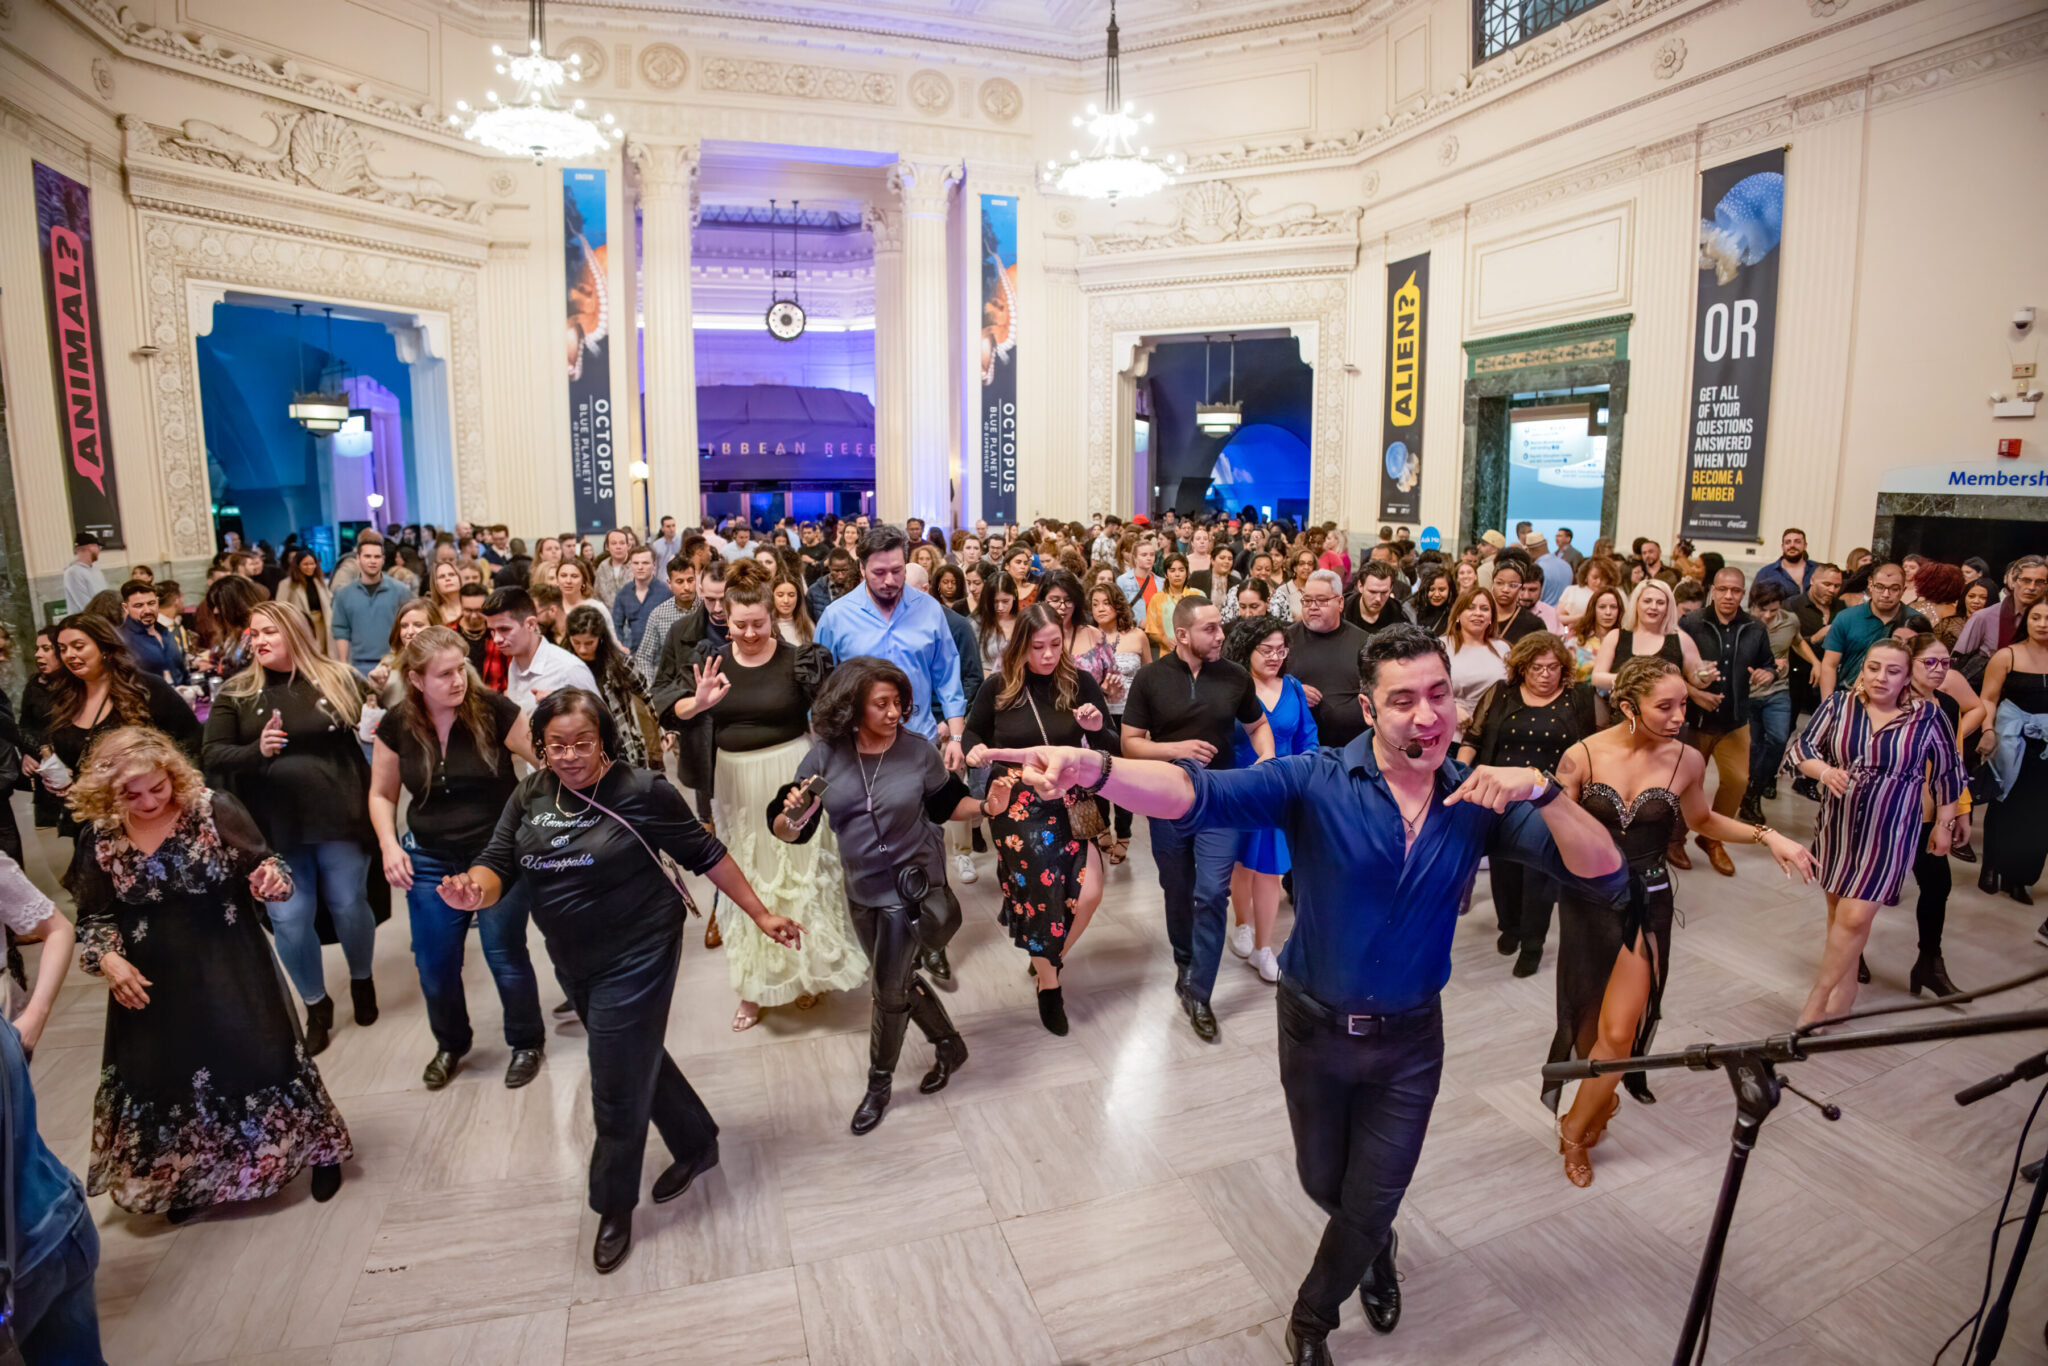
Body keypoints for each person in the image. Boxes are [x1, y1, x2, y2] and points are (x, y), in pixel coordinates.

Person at [976, 625, 1629, 1362]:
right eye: (1405, 699)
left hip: (1411, 1041)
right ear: (1370, 709)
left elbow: (1605, 873)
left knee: (1375, 1191)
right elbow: (1197, 792)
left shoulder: (1477, 800)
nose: (1429, 716)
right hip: (1314, 1030)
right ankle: (1373, 1251)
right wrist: (1095, 769)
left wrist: (1541, 790)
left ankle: (1314, 1315)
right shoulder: (1315, 779)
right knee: (1325, 1182)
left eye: (1441, 695)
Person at [443, 689, 800, 1273]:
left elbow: (704, 852)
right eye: (555, 745)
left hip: (639, 952)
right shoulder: (530, 793)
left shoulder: (640, 790)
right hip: (571, 957)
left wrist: (761, 915)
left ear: (603, 739)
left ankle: (613, 1206)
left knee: (613, 1084)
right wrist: (473, 891)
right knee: (633, 1053)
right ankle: (697, 1143)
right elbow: (498, 860)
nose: (570, 756)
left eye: (583, 743)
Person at [1547, 657, 1814, 1184]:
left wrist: (1769, 836)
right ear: (1628, 707)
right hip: (1587, 900)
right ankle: (1598, 1099)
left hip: (1646, 901)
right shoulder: (1582, 756)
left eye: (1682, 705)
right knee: (1586, 1024)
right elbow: (1556, 831)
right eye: (1663, 706)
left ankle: (1574, 1129)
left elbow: (1702, 820)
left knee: (1621, 1032)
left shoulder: (1686, 760)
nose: (1676, 716)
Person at [67, 727, 351, 1222]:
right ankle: (192, 1177)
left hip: (228, 962)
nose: (149, 801)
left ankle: (317, 1152)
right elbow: (93, 918)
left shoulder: (210, 808)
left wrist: (269, 880)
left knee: (261, 1055)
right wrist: (109, 959)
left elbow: (271, 869)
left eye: (157, 787)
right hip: (154, 977)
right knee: (173, 1075)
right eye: (131, 794)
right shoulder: (101, 835)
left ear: (171, 774)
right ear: (108, 790)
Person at [772, 658, 975, 1133]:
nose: (894, 713)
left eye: (898, 703)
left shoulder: (918, 751)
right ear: (852, 707)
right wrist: (793, 815)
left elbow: (947, 804)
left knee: (886, 992)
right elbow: (789, 828)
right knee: (899, 981)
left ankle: (878, 1085)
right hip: (860, 887)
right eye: (880, 704)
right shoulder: (826, 756)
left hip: (911, 887)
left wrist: (986, 806)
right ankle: (950, 1044)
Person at [657, 560, 862, 1030]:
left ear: (773, 617)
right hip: (734, 779)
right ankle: (754, 986)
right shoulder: (712, 662)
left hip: (790, 771)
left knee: (800, 872)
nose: (749, 633)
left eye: (758, 623)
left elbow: (828, 722)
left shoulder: (799, 660)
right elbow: (674, 710)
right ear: (724, 618)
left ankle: (806, 973)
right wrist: (700, 703)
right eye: (739, 624)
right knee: (748, 875)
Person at [368, 626, 546, 1090]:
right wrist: (389, 844)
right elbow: (382, 794)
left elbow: (546, 761)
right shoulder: (396, 724)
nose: (457, 681)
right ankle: (451, 1043)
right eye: (443, 674)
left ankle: (526, 1040)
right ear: (416, 680)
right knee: (434, 961)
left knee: (503, 952)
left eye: (460, 669)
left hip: (496, 852)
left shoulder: (493, 711)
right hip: (429, 856)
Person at [202, 601, 380, 1054]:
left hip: (339, 814)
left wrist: (377, 725)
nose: (259, 641)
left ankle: (362, 979)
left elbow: (378, 729)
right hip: (274, 826)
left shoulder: (339, 679)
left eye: (270, 633)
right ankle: (315, 1004)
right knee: (290, 917)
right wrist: (256, 751)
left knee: (348, 902)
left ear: (295, 633)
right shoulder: (238, 693)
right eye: (254, 633)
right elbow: (213, 754)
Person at [1788, 639, 1963, 1024]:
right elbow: (1802, 750)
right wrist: (1825, 771)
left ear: (1906, 677)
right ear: (1862, 669)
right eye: (1873, 667)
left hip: (1891, 831)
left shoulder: (1927, 717)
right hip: (1838, 826)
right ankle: (1846, 988)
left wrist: (1946, 825)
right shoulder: (1838, 705)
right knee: (1838, 911)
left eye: (1893, 671)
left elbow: (1950, 772)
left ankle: (1817, 1002)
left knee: (1854, 918)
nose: (1881, 677)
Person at [1124, 596, 1273, 1042]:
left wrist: (1265, 760)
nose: (1221, 635)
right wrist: (1177, 748)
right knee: (1178, 887)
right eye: (1210, 629)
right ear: (1182, 634)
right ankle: (1184, 961)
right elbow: (1130, 743)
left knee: (1211, 892)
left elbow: (1257, 725)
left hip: (1220, 798)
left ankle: (1200, 992)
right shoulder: (1151, 679)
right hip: (1167, 796)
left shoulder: (1234, 676)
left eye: (1220, 626)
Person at [964, 605, 1117, 1035]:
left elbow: (1110, 744)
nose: (1048, 655)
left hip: (1068, 794)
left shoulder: (1079, 682)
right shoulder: (999, 687)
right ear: (1020, 647)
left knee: (1087, 893)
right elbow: (974, 733)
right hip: (1016, 803)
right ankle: (1049, 985)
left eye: (1055, 645)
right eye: (1038, 647)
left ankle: (1049, 955)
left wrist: (1097, 724)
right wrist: (974, 751)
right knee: (1041, 894)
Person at [1458, 632, 1599, 977]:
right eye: (1537, 667)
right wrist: (1462, 776)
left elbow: (1588, 749)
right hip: (1500, 796)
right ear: (1522, 667)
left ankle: (1532, 943)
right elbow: (1473, 738)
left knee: (1539, 875)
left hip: (1548, 799)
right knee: (1504, 870)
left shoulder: (1577, 698)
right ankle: (1510, 927)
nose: (1545, 674)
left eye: (1553, 668)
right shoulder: (1501, 693)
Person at [815, 524, 969, 780]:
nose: (889, 581)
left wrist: (955, 737)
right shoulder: (836, 617)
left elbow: (948, 677)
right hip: (858, 746)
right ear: (862, 569)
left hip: (920, 740)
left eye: (897, 571)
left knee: (926, 817)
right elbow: (821, 687)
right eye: (879, 572)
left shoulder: (929, 609)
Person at [38, 614, 202, 840]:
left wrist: (170, 792)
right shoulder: (64, 698)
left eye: (78, 646)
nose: (69, 655)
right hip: (96, 823)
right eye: (62, 648)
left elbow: (192, 743)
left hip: (154, 814)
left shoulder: (145, 689)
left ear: (104, 647)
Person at [1223, 615, 1316, 984]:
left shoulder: (1292, 687)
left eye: (1281, 649)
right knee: (1241, 865)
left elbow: (1308, 737)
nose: (1275, 656)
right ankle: (1242, 923)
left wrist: (1306, 775)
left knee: (1272, 871)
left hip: (1281, 791)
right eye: (1267, 650)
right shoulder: (1234, 687)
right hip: (1239, 789)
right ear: (1248, 651)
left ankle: (1265, 946)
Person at [1897, 635, 1983, 997]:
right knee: (1870, 893)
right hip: (1886, 811)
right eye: (1929, 662)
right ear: (1909, 664)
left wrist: (1960, 812)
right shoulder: (1889, 700)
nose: (1939, 670)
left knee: (1938, 884)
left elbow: (1953, 763)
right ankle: (1852, 954)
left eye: (1945, 663)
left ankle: (1929, 963)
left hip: (1930, 811)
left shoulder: (1947, 705)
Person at [1677, 567, 1777, 876]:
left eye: (1735, 591)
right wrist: (1693, 693)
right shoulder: (1691, 623)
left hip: (1735, 720)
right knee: (1685, 784)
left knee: (1736, 781)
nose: (1728, 596)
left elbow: (1768, 664)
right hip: (1694, 720)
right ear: (1712, 590)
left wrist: (1768, 673)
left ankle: (1712, 838)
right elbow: (1671, 668)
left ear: (1743, 594)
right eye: (1722, 590)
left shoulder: (1755, 628)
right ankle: (1673, 839)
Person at [1978, 598, 2048, 911]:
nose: (2043, 623)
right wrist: (1988, 730)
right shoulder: (2007, 655)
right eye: (2037, 617)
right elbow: (1988, 699)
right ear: (2027, 620)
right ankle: (1992, 867)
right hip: (2011, 737)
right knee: (2003, 802)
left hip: (2045, 744)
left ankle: (2021, 878)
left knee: (2039, 812)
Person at [1075, 580, 1148, 863]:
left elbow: (1148, 678)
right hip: (1098, 715)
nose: (1100, 609)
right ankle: (1103, 826)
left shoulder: (1137, 637)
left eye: (1106, 603)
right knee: (1100, 773)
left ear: (1118, 605)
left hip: (1130, 715)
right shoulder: (1087, 638)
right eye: (1095, 604)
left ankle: (1125, 834)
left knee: (1125, 777)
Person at [1739, 579, 1813, 821]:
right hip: (1748, 694)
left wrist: (1818, 663)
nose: (1769, 616)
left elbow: (1798, 640)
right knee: (1755, 746)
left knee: (1779, 739)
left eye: (1774, 610)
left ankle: (1755, 789)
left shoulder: (1789, 620)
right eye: (1763, 610)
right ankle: (1752, 794)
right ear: (1753, 605)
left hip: (1778, 691)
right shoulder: (1743, 624)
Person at [565, 605, 663, 772]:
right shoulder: (565, 666)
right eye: (576, 643)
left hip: (622, 744)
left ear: (600, 639)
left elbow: (648, 695)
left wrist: (663, 730)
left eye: (589, 643)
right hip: (585, 746)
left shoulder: (620, 664)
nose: (582, 649)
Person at [1284, 570, 1371, 748]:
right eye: (1307, 601)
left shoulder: (1364, 642)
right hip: (1298, 749)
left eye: (1322, 600)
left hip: (1351, 746)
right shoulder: (1284, 640)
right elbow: (1261, 685)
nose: (1313, 606)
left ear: (1340, 603)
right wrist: (1292, 689)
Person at [1817, 561, 1930, 694]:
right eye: (1880, 587)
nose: (1886, 594)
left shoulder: (1916, 622)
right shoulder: (1847, 618)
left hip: (1897, 699)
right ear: (1870, 585)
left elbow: (1923, 667)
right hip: (1848, 693)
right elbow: (1830, 665)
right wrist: (1828, 705)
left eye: (1894, 589)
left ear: (1903, 590)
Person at [485, 587, 598, 714]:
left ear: (531, 624)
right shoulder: (514, 665)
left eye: (504, 629)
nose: (497, 639)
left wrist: (566, 707)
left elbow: (604, 724)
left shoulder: (569, 669)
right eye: (492, 631)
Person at [330, 537, 408, 667]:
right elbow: (341, 631)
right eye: (367, 556)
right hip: (358, 666)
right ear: (358, 559)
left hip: (394, 664)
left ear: (383, 560)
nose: (372, 561)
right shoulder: (344, 595)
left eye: (377, 557)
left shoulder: (400, 591)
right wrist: (344, 665)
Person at [1442, 588, 1509, 736]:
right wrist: (1451, 708)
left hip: (1490, 734)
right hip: (1450, 731)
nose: (1478, 613)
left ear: (1492, 616)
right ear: (1458, 614)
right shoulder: (1441, 647)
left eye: (1484, 609)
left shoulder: (1503, 649)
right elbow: (1423, 689)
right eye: (1470, 607)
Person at [630, 555, 700, 686]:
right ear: (670, 584)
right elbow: (644, 657)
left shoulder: (708, 609)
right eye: (679, 582)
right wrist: (652, 691)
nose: (687, 587)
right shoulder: (658, 615)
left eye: (690, 580)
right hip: (672, 685)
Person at [363, 599, 436, 709]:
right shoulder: (388, 664)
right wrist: (374, 689)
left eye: (418, 625)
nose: (410, 632)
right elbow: (374, 712)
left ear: (435, 628)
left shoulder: (453, 663)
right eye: (404, 626)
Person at [116, 579, 187, 686]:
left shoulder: (166, 631)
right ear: (126, 608)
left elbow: (181, 670)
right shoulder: (121, 639)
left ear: (157, 602)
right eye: (139, 606)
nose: (147, 610)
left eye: (151, 603)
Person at [276, 548, 337, 653]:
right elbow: (280, 608)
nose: (310, 567)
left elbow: (329, 602)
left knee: (322, 654)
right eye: (305, 564)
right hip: (301, 627)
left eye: (312, 564)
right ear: (298, 565)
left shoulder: (320, 582)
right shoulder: (287, 584)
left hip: (322, 625)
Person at [1143, 553, 1205, 655]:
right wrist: (1163, 639)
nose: (1177, 574)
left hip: (1195, 652)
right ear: (1166, 574)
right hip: (1167, 654)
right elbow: (1151, 628)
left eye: (1181, 570)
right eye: (1172, 570)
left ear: (1186, 572)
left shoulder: (1198, 595)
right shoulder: (1157, 599)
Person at [612, 545, 664, 653]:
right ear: (631, 565)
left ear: (654, 565)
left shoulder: (666, 593)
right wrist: (620, 646)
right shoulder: (624, 594)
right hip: (633, 656)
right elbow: (616, 626)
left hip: (661, 657)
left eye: (645, 563)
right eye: (636, 563)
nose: (640, 567)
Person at [1753, 527, 1819, 600]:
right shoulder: (1766, 573)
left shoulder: (1818, 570)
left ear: (1805, 546)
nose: (1792, 545)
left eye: (1797, 542)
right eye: (1788, 542)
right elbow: (1754, 603)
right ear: (1782, 547)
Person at [62, 532, 108, 615]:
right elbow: (85, 605)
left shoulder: (95, 569)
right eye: (98, 547)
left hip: (101, 619)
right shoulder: (73, 572)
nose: (99, 550)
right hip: (84, 622)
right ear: (90, 547)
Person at [592, 528, 637, 605]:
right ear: (607, 547)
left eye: (622, 543)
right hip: (608, 614)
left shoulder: (637, 564)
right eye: (614, 543)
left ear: (628, 546)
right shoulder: (603, 567)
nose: (618, 547)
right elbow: (596, 595)